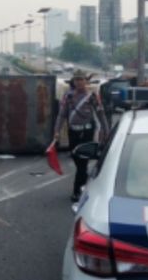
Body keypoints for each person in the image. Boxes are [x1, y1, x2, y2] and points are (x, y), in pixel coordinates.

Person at [54, 69, 110, 202]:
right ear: (73, 82)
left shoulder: (92, 96)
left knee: (83, 163)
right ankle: (86, 185)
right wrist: (56, 131)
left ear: (86, 81)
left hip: (87, 133)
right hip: (73, 132)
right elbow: (62, 115)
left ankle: (77, 191)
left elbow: (101, 114)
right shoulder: (68, 96)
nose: (79, 82)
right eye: (77, 80)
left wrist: (106, 130)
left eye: (81, 79)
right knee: (77, 160)